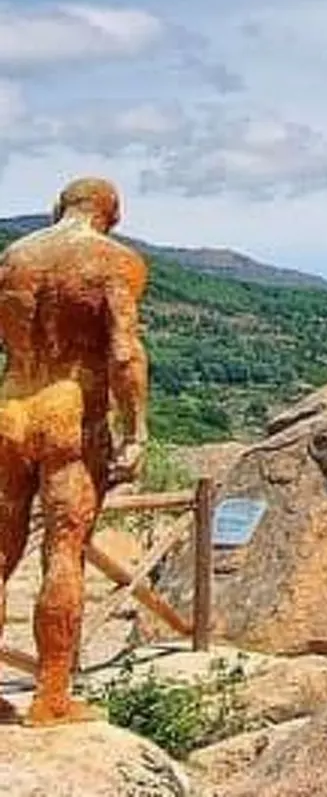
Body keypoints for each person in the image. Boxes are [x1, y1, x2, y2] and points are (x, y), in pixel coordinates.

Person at [0, 177, 148, 726]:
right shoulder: (114, 261)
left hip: (11, 405)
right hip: (70, 411)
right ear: (113, 213)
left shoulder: (14, 259)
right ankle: (52, 697)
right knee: (64, 551)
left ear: (58, 206)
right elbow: (124, 352)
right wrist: (136, 431)